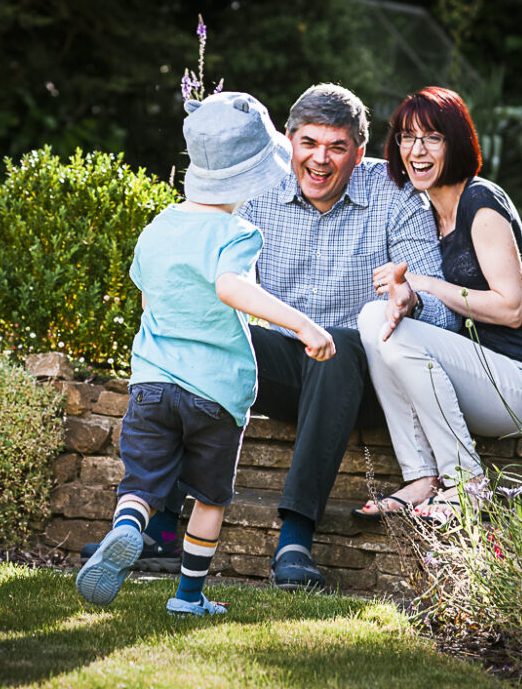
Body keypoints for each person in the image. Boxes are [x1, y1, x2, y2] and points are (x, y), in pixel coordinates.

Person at [83, 83, 458, 590]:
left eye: (336, 147)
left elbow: (443, 315)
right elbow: (207, 271)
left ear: (360, 150)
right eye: (308, 143)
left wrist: (409, 298)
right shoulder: (253, 187)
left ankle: (295, 541)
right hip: (279, 362)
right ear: (288, 140)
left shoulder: (396, 197)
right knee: (204, 337)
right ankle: (161, 531)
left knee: (343, 343)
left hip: (359, 375)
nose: (320, 160)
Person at [75, 91, 336, 616]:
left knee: (142, 485)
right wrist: (303, 325)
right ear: (249, 178)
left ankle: (128, 526)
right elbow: (229, 287)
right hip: (214, 392)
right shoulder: (236, 232)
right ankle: (188, 598)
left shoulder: (157, 228)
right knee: (210, 499)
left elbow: (151, 299)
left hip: (152, 386)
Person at [352, 86, 522, 523]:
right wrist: (406, 297)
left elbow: (510, 309)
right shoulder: (427, 213)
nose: (416, 150)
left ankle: (466, 481)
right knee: (375, 318)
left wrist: (424, 283)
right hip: (474, 379)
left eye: (432, 138)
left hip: (521, 387)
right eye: (407, 138)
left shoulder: (480, 202)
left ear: (456, 142)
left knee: (388, 326)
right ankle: (422, 477)